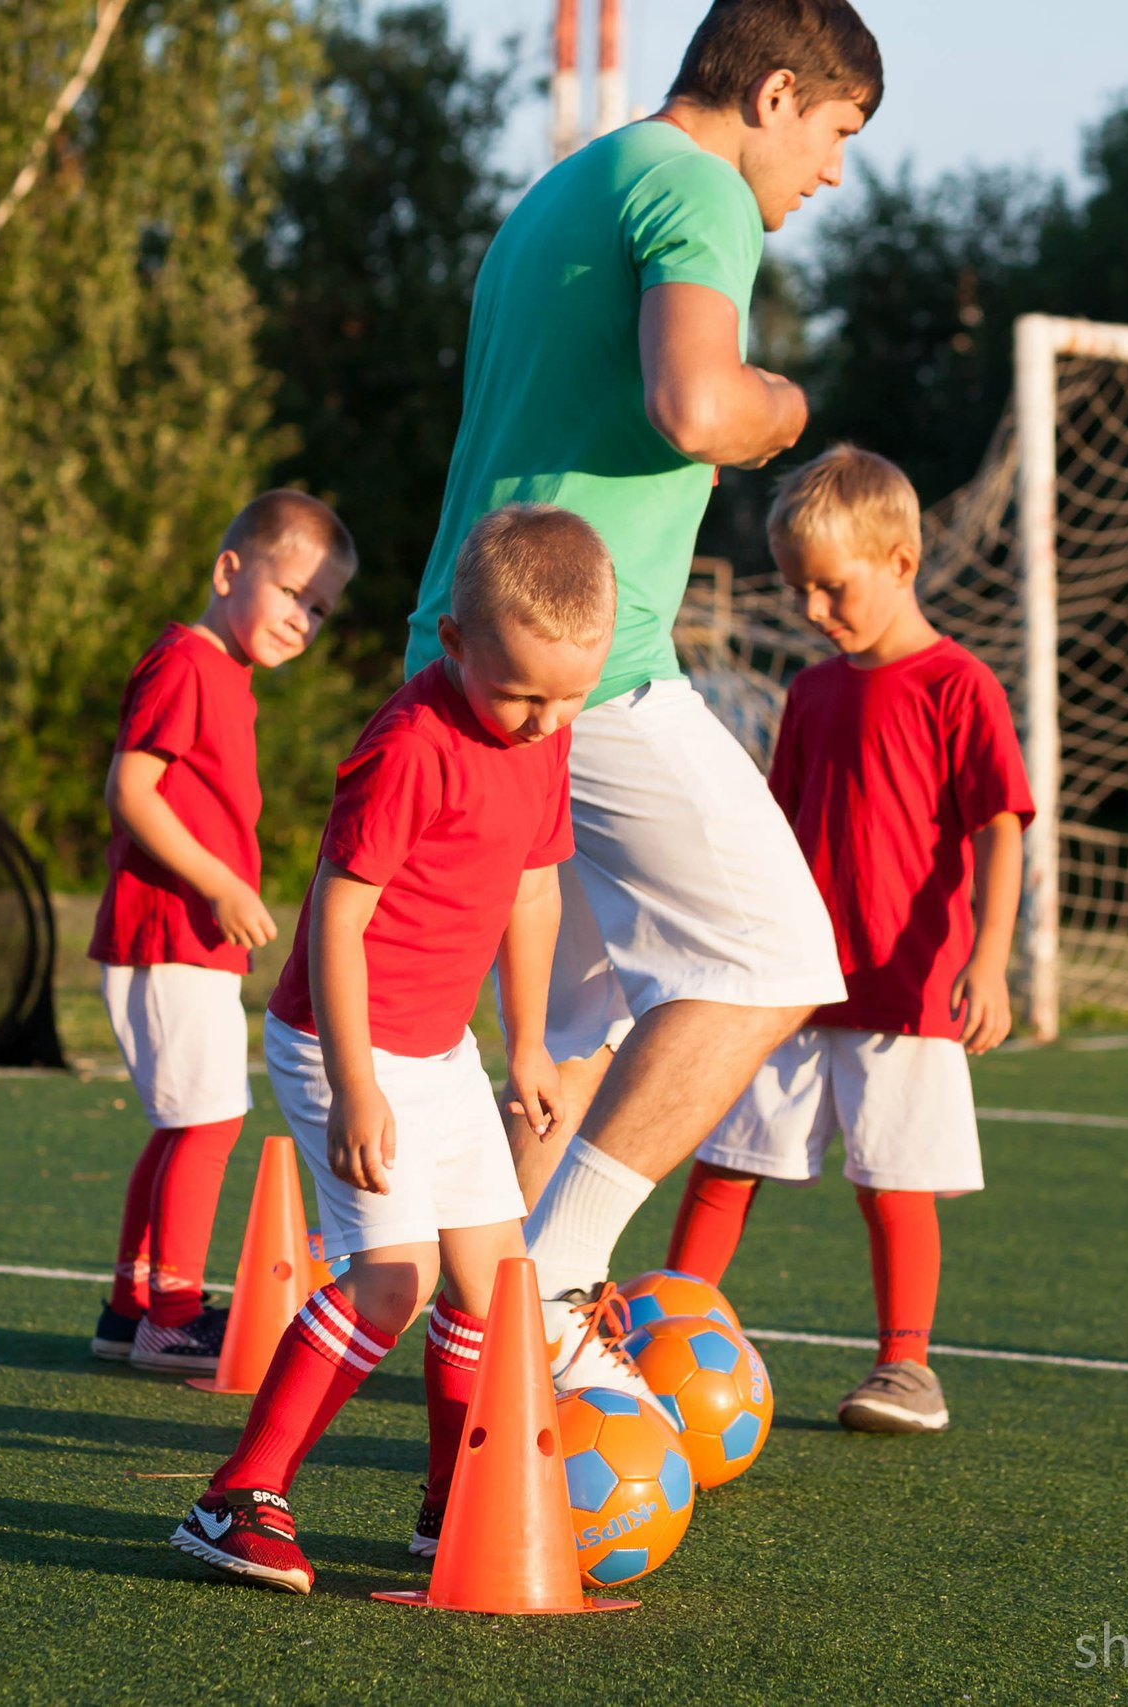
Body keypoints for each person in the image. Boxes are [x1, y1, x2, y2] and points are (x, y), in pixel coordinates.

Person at [396, 0, 884, 1377]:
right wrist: (784, 407)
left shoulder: (573, 181)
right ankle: (545, 1293)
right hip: (575, 663)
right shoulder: (701, 187)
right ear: (779, 95)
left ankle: (490, 1344)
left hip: (466, 640)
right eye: (838, 134)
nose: (832, 173)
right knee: (778, 955)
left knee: (572, 1031)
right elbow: (694, 404)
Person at [168, 504, 623, 1596]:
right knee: (392, 1280)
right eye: (517, 691)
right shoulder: (411, 744)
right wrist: (359, 1087)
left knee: (492, 1285)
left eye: (568, 694)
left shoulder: (547, 735)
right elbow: (335, 915)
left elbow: (529, 888)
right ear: (454, 646)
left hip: (440, 1048)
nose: (540, 718)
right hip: (343, 1043)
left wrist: (524, 1050)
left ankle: (448, 1509)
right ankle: (236, 1497)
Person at [662, 446, 1032, 1433]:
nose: (815, 609)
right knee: (725, 1159)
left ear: (901, 562)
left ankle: (905, 1369)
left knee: (893, 1180)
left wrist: (989, 959)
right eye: (799, 591)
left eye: (833, 586)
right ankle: (659, 1333)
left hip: (908, 994)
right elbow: (777, 831)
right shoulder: (813, 694)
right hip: (791, 985)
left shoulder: (959, 685)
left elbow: (1001, 824)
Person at [89, 491, 358, 1374]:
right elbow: (131, 790)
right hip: (168, 930)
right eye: (292, 594)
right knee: (209, 1121)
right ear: (228, 571)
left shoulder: (224, 674)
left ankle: (132, 1310)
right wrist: (219, 882)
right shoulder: (187, 662)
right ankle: (172, 1316)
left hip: (183, 938)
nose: (304, 620)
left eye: (319, 610)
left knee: (182, 1123)